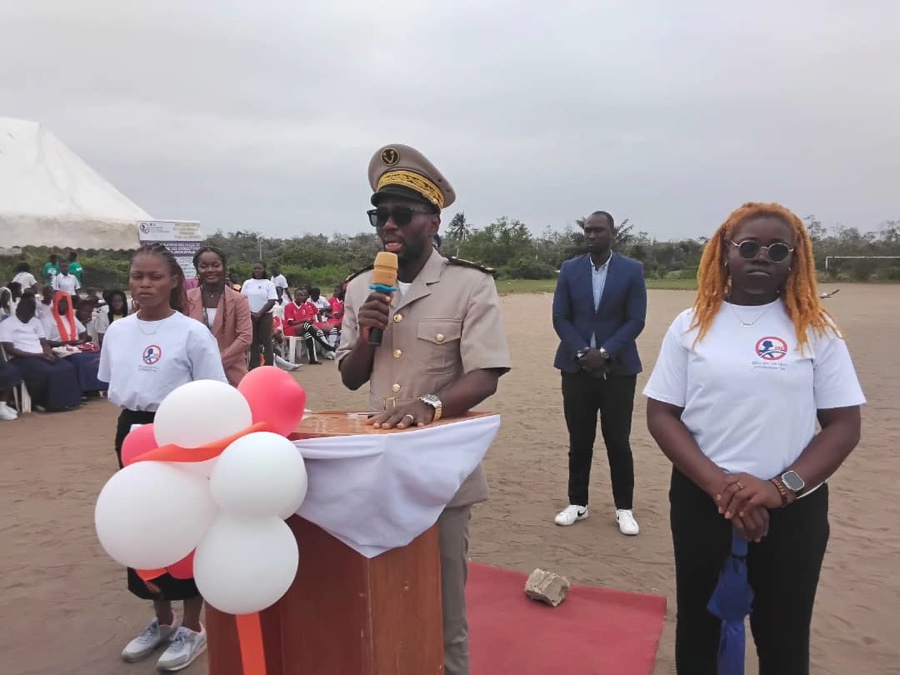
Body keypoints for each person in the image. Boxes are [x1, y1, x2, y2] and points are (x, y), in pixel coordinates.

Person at [643, 202, 865, 675]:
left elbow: (844, 425)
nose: (763, 256)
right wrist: (721, 488)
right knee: (699, 632)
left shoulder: (816, 329)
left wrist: (779, 488)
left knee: (783, 637)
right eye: (749, 247)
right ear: (725, 252)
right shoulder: (690, 325)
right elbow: (661, 415)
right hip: (703, 501)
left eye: (778, 250)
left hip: (794, 508)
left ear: (795, 259)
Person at [337, 144, 511, 675]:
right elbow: (350, 376)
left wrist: (428, 405)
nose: (389, 225)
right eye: (380, 215)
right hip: (377, 472)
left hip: (440, 471)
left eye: (402, 214)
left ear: (433, 222)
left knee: (443, 606)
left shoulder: (470, 284)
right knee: (382, 597)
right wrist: (367, 332)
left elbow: (486, 373)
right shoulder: (361, 287)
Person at [98, 242, 226, 671]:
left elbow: (214, 393)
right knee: (141, 523)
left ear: (175, 281)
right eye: (138, 276)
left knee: (184, 525)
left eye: (155, 277)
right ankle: (162, 619)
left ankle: (192, 626)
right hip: (132, 433)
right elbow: (113, 383)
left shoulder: (192, 333)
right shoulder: (118, 331)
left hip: (181, 433)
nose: (145, 285)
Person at [551, 211, 647, 535]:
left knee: (618, 441)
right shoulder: (570, 269)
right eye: (588, 230)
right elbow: (560, 317)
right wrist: (583, 352)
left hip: (618, 369)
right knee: (579, 440)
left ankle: (624, 508)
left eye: (598, 230)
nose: (591, 235)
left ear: (612, 233)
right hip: (575, 367)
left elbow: (636, 320)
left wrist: (604, 353)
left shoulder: (631, 270)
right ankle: (577, 503)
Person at [0, 289, 81, 412]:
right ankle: (47, 404)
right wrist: (38, 355)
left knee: (67, 367)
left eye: (31, 312)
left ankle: (69, 401)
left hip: (41, 356)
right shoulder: (6, 324)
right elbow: (10, 350)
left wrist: (48, 352)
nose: (29, 315)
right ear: (18, 309)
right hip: (21, 359)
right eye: (26, 311)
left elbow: (43, 342)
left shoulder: (35, 322)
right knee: (49, 372)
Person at [187, 246, 253, 386]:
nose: (210, 270)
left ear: (224, 267)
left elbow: (245, 337)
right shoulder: (187, 299)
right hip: (194, 373)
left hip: (231, 373)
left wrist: (215, 362)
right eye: (204, 266)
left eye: (216, 265)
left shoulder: (239, 300)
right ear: (197, 269)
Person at [46, 292, 105, 396]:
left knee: (96, 357)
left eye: (66, 303)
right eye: (61, 302)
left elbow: (83, 332)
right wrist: (66, 343)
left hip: (75, 348)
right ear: (55, 302)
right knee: (80, 359)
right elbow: (45, 341)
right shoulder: (48, 318)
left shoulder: (70, 316)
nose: (63, 305)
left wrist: (81, 342)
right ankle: (82, 390)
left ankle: (94, 388)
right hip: (59, 349)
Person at [284, 288, 336, 364]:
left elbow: (309, 319)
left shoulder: (304, 306)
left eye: (302, 295)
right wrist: (305, 320)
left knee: (309, 335)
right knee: (307, 325)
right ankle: (326, 346)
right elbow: (291, 323)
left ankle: (312, 359)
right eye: (298, 295)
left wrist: (309, 320)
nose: (300, 297)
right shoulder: (289, 306)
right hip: (290, 329)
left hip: (304, 328)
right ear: (294, 296)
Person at [241, 262, 278, 368]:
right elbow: (242, 299)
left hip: (265, 315)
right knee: (253, 341)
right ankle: (254, 365)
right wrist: (251, 313)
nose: (257, 270)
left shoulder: (269, 284)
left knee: (267, 340)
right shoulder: (247, 283)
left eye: (259, 268)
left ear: (264, 270)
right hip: (250, 315)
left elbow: (272, 300)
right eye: (255, 268)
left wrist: (259, 313)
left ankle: (268, 365)